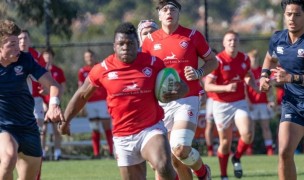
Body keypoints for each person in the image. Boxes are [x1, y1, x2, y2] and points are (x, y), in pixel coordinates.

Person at [59, 22, 185, 180]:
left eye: (130, 43)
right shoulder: (103, 68)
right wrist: (65, 121)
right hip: (122, 136)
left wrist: (177, 92)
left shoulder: (153, 63)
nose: (125, 47)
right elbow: (82, 95)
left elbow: (182, 86)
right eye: (121, 43)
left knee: (163, 166)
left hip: (150, 129)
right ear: (114, 46)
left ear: (137, 44)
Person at [142, 0, 218, 179]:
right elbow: (144, 73)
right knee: (173, 160)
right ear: (159, 15)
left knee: (180, 147)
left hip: (187, 99)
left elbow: (213, 61)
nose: (169, 12)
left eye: (173, 9)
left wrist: (198, 72)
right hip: (160, 103)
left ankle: (203, 172)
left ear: (178, 14)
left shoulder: (192, 36)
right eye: (165, 9)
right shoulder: (149, 41)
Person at [0, 19, 64, 180]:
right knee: (8, 160)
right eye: (12, 45)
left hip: (28, 127)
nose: (17, 49)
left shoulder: (25, 59)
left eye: (17, 43)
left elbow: (54, 85)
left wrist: (53, 105)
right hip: (4, 126)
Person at [204, 30, 258, 180]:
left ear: (238, 42)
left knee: (247, 134)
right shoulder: (218, 61)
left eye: (235, 40)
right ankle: (223, 175)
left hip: (239, 102)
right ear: (224, 43)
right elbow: (208, 86)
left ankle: (237, 157)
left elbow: (247, 75)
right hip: (221, 105)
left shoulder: (245, 58)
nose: (232, 43)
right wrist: (226, 88)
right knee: (225, 142)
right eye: (229, 40)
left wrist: (254, 86)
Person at [259, 1, 304, 179]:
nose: (292, 18)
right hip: (292, 104)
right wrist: (264, 76)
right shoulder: (278, 38)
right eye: (289, 14)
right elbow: (270, 58)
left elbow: (289, 77)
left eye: (297, 14)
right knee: (284, 153)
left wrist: (291, 78)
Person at [78, 49, 113, 158]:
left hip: (102, 101)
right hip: (90, 102)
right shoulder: (82, 71)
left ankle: (112, 152)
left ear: (94, 57)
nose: (89, 59)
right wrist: (81, 104)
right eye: (87, 57)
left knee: (106, 126)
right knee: (94, 128)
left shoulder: (100, 67)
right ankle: (96, 153)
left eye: (90, 56)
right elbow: (80, 87)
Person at [246, 49, 274, 156]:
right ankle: (249, 150)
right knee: (250, 128)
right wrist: (248, 102)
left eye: (256, 58)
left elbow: (270, 87)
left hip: (262, 103)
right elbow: (244, 90)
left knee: (266, 127)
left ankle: (270, 149)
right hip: (251, 104)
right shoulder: (247, 72)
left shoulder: (263, 71)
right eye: (252, 58)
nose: (254, 60)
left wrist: (270, 100)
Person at [40, 48, 66, 161]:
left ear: (52, 57)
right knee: (43, 130)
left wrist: (57, 101)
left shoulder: (58, 71)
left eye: (49, 56)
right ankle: (42, 153)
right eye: (45, 56)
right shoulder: (38, 70)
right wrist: (42, 101)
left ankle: (57, 153)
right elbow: (37, 90)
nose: (47, 59)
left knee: (57, 130)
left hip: (55, 105)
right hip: (43, 105)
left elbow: (62, 87)